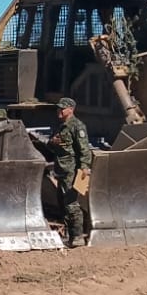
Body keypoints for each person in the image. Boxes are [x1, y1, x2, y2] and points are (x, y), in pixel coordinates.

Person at [48, 97, 93, 247]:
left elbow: (84, 149)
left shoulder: (77, 126)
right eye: (58, 108)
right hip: (61, 169)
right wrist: (52, 142)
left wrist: (85, 167)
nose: (59, 111)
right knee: (62, 204)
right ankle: (69, 235)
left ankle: (78, 236)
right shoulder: (60, 126)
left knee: (71, 204)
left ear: (71, 110)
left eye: (62, 109)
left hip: (72, 171)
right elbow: (52, 145)